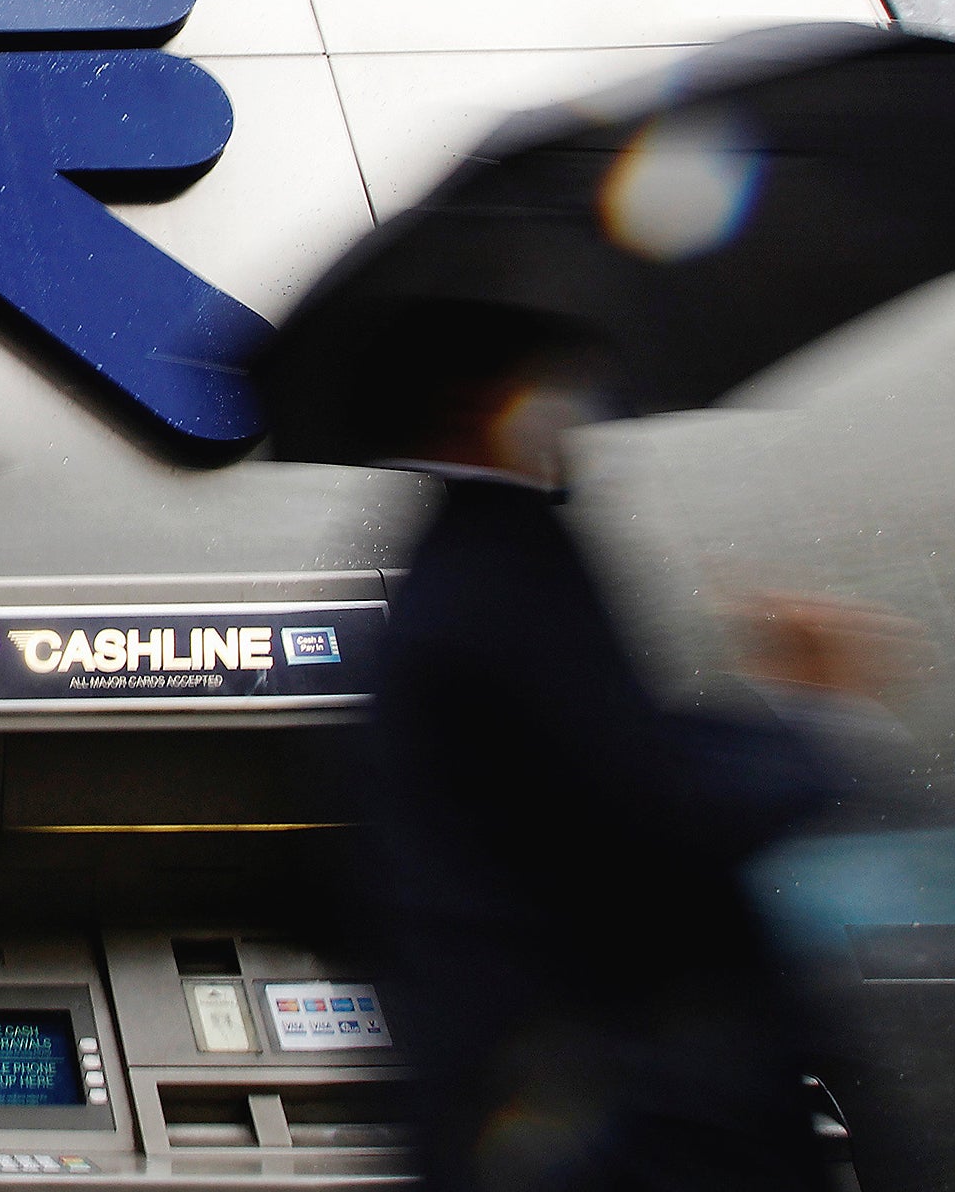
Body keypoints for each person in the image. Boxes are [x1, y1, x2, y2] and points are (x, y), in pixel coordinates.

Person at [359, 301, 874, 1192]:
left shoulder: (444, 562)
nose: (579, 411)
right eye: (555, 384)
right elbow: (650, 808)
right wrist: (813, 707)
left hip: (514, 1101)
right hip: (598, 1118)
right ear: (491, 402)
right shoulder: (509, 564)